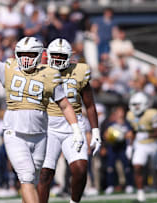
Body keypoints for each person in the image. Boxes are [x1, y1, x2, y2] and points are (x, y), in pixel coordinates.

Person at [0, 13, 83, 203]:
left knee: (33, 179)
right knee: (27, 177)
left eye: (31, 55)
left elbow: (64, 104)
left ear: (40, 55)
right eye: (23, 55)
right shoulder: (9, 69)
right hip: (15, 133)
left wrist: (76, 129)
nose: (27, 59)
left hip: (39, 135)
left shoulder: (50, 74)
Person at [36, 38, 101, 203]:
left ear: (69, 57)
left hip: (74, 126)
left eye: (61, 55)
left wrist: (95, 131)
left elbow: (90, 105)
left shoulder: (79, 71)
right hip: (48, 126)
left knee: (80, 168)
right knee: (45, 173)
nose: (57, 59)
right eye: (54, 55)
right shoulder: (39, 71)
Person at [126, 92, 157, 202]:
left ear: (145, 104)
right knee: (137, 167)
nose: (136, 107)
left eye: (138, 104)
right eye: (134, 104)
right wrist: (130, 146)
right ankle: (140, 193)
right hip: (140, 145)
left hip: (153, 144)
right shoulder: (130, 115)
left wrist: (146, 134)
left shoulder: (152, 113)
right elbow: (134, 131)